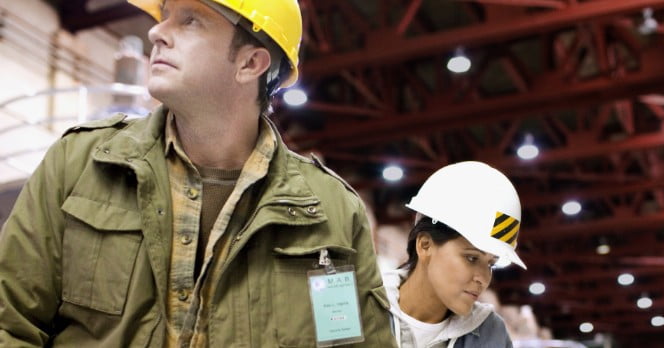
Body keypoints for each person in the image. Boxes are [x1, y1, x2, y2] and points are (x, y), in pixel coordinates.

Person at [0, 0, 396, 347]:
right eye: (166, 15)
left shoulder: (332, 215)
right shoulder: (80, 164)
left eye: (190, 20)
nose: (157, 31)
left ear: (250, 63)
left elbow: (352, 344)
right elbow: (10, 323)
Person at [383, 161, 526, 348]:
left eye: (491, 264)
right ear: (425, 245)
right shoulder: (358, 311)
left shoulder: (491, 334)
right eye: (472, 258)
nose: (484, 279)